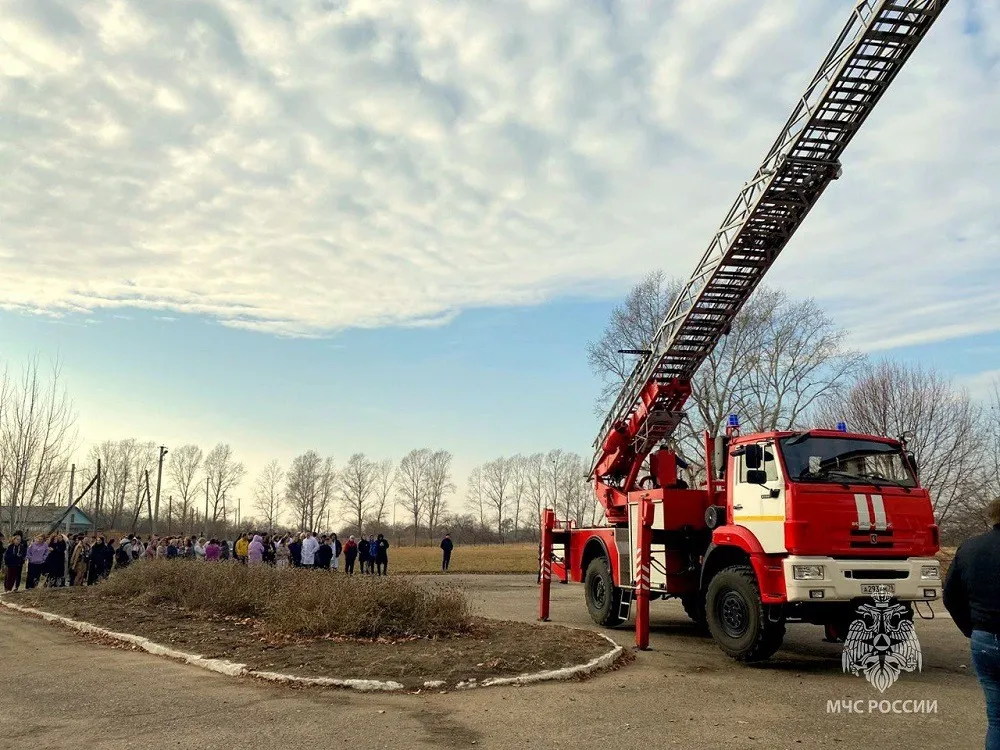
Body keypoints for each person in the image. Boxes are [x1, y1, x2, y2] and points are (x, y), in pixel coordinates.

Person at [944, 497, 1000, 750]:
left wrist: (972, 628)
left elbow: (950, 596)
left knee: (997, 719)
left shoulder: (970, 548)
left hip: (984, 640)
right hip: (983, 634)